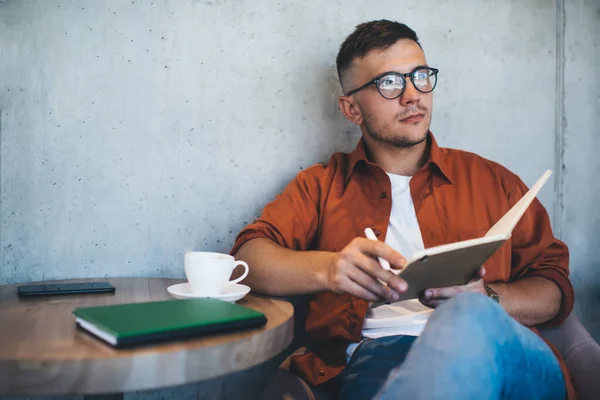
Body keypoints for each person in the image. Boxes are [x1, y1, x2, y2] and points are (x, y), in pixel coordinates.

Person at [230, 20, 574, 399]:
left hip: (501, 350)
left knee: (469, 318)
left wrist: (488, 299)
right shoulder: (323, 186)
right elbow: (249, 257)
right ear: (352, 109)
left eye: (421, 76)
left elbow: (553, 288)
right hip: (382, 354)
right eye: (389, 83)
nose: (413, 95)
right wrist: (328, 269)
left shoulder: (493, 180)